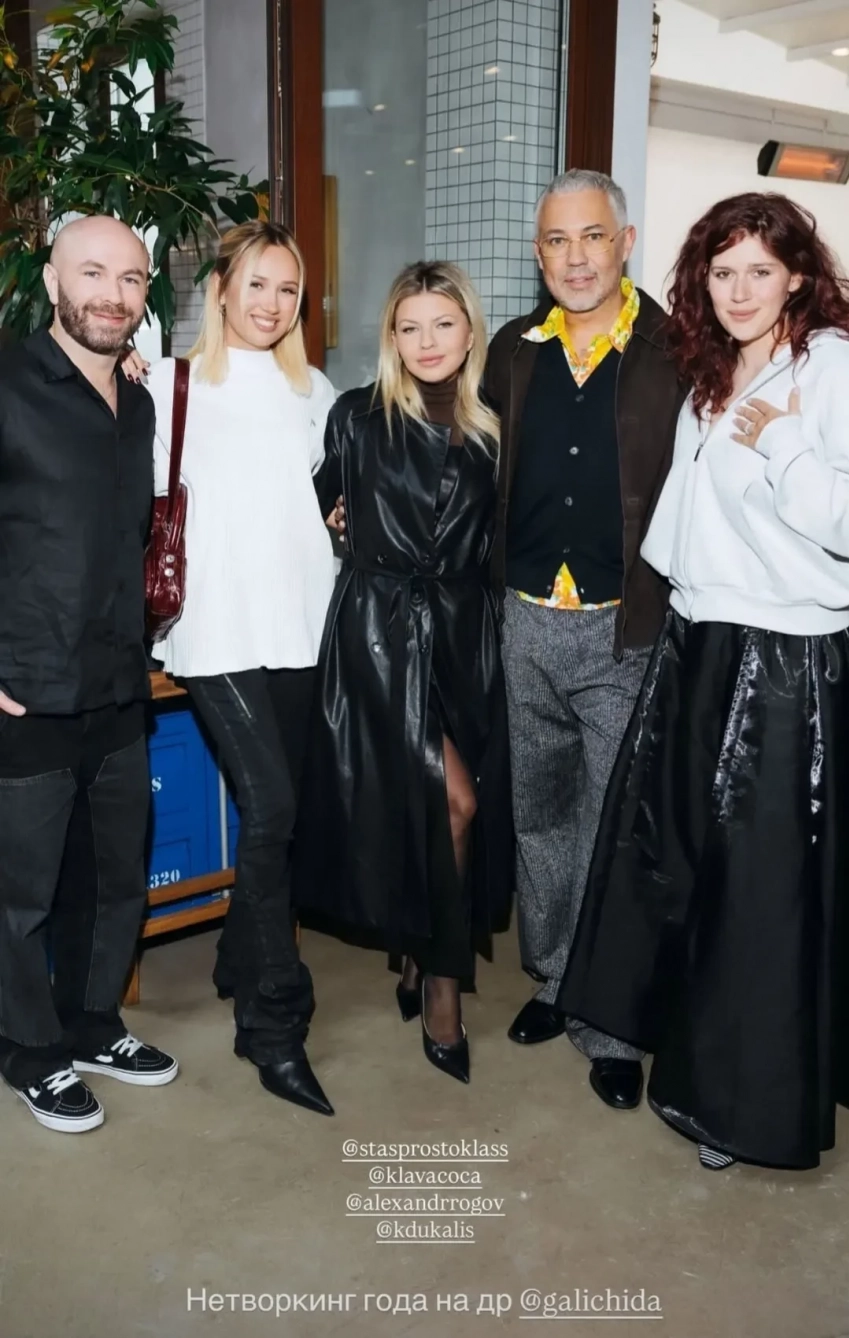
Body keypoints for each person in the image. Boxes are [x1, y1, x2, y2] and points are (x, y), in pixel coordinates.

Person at [560, 192, 849, 1171]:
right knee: (675, 860)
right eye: (722, 272)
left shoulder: (830, 368)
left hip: (783, 658)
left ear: (798, 277)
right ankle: (673, 1047)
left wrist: (782, 442)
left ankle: (741, 1104)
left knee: (756, 894)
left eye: (759, 271)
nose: (738, 290)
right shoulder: (715, 369)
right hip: (699, 639)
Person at [125, 221, 337, 1116]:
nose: (272, 304)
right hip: (214, 630)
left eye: (288, 290)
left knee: (280, 815)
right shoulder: (168, 386)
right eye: (257, 284)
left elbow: (327, 504)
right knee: (274, 807)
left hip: (302, 624)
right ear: (220, 289)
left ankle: (235, 954)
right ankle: (272, 1022)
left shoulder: (315, 391)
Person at [483, 169, 684, 1110]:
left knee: (612, 825)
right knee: (539, 815)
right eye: (557, 241)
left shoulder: (676, 350)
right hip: (524, 615)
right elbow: (454, 435)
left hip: (624, 625)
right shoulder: (512, 350)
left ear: (625, 242)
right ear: (539, 254)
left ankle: (611, 1024)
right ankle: (556, 976)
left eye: (592, 236)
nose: (575, 258)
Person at [293, 261, 513, 1084]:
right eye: (409, 327)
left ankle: (420, 954)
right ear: (391, 335)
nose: (427, 342)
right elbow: (318, 504)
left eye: (443, 324)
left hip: (463, 635)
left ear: (469, 330)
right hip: (380, 635)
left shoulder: (494, 425)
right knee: (455, 803)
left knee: (443, 807)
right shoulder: (356, 416)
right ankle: (443, 992)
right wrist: (339, 523)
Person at [0, 215, 178, 1135]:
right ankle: (31, 1051)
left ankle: (93, 1025)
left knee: (114, 877)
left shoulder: (137, 401)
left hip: (117, 681)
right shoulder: (7, 385)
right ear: (51, 280)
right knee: (21, 894)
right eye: (92, 273)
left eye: (131, 278)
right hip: (24, 685)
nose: (112, 294)